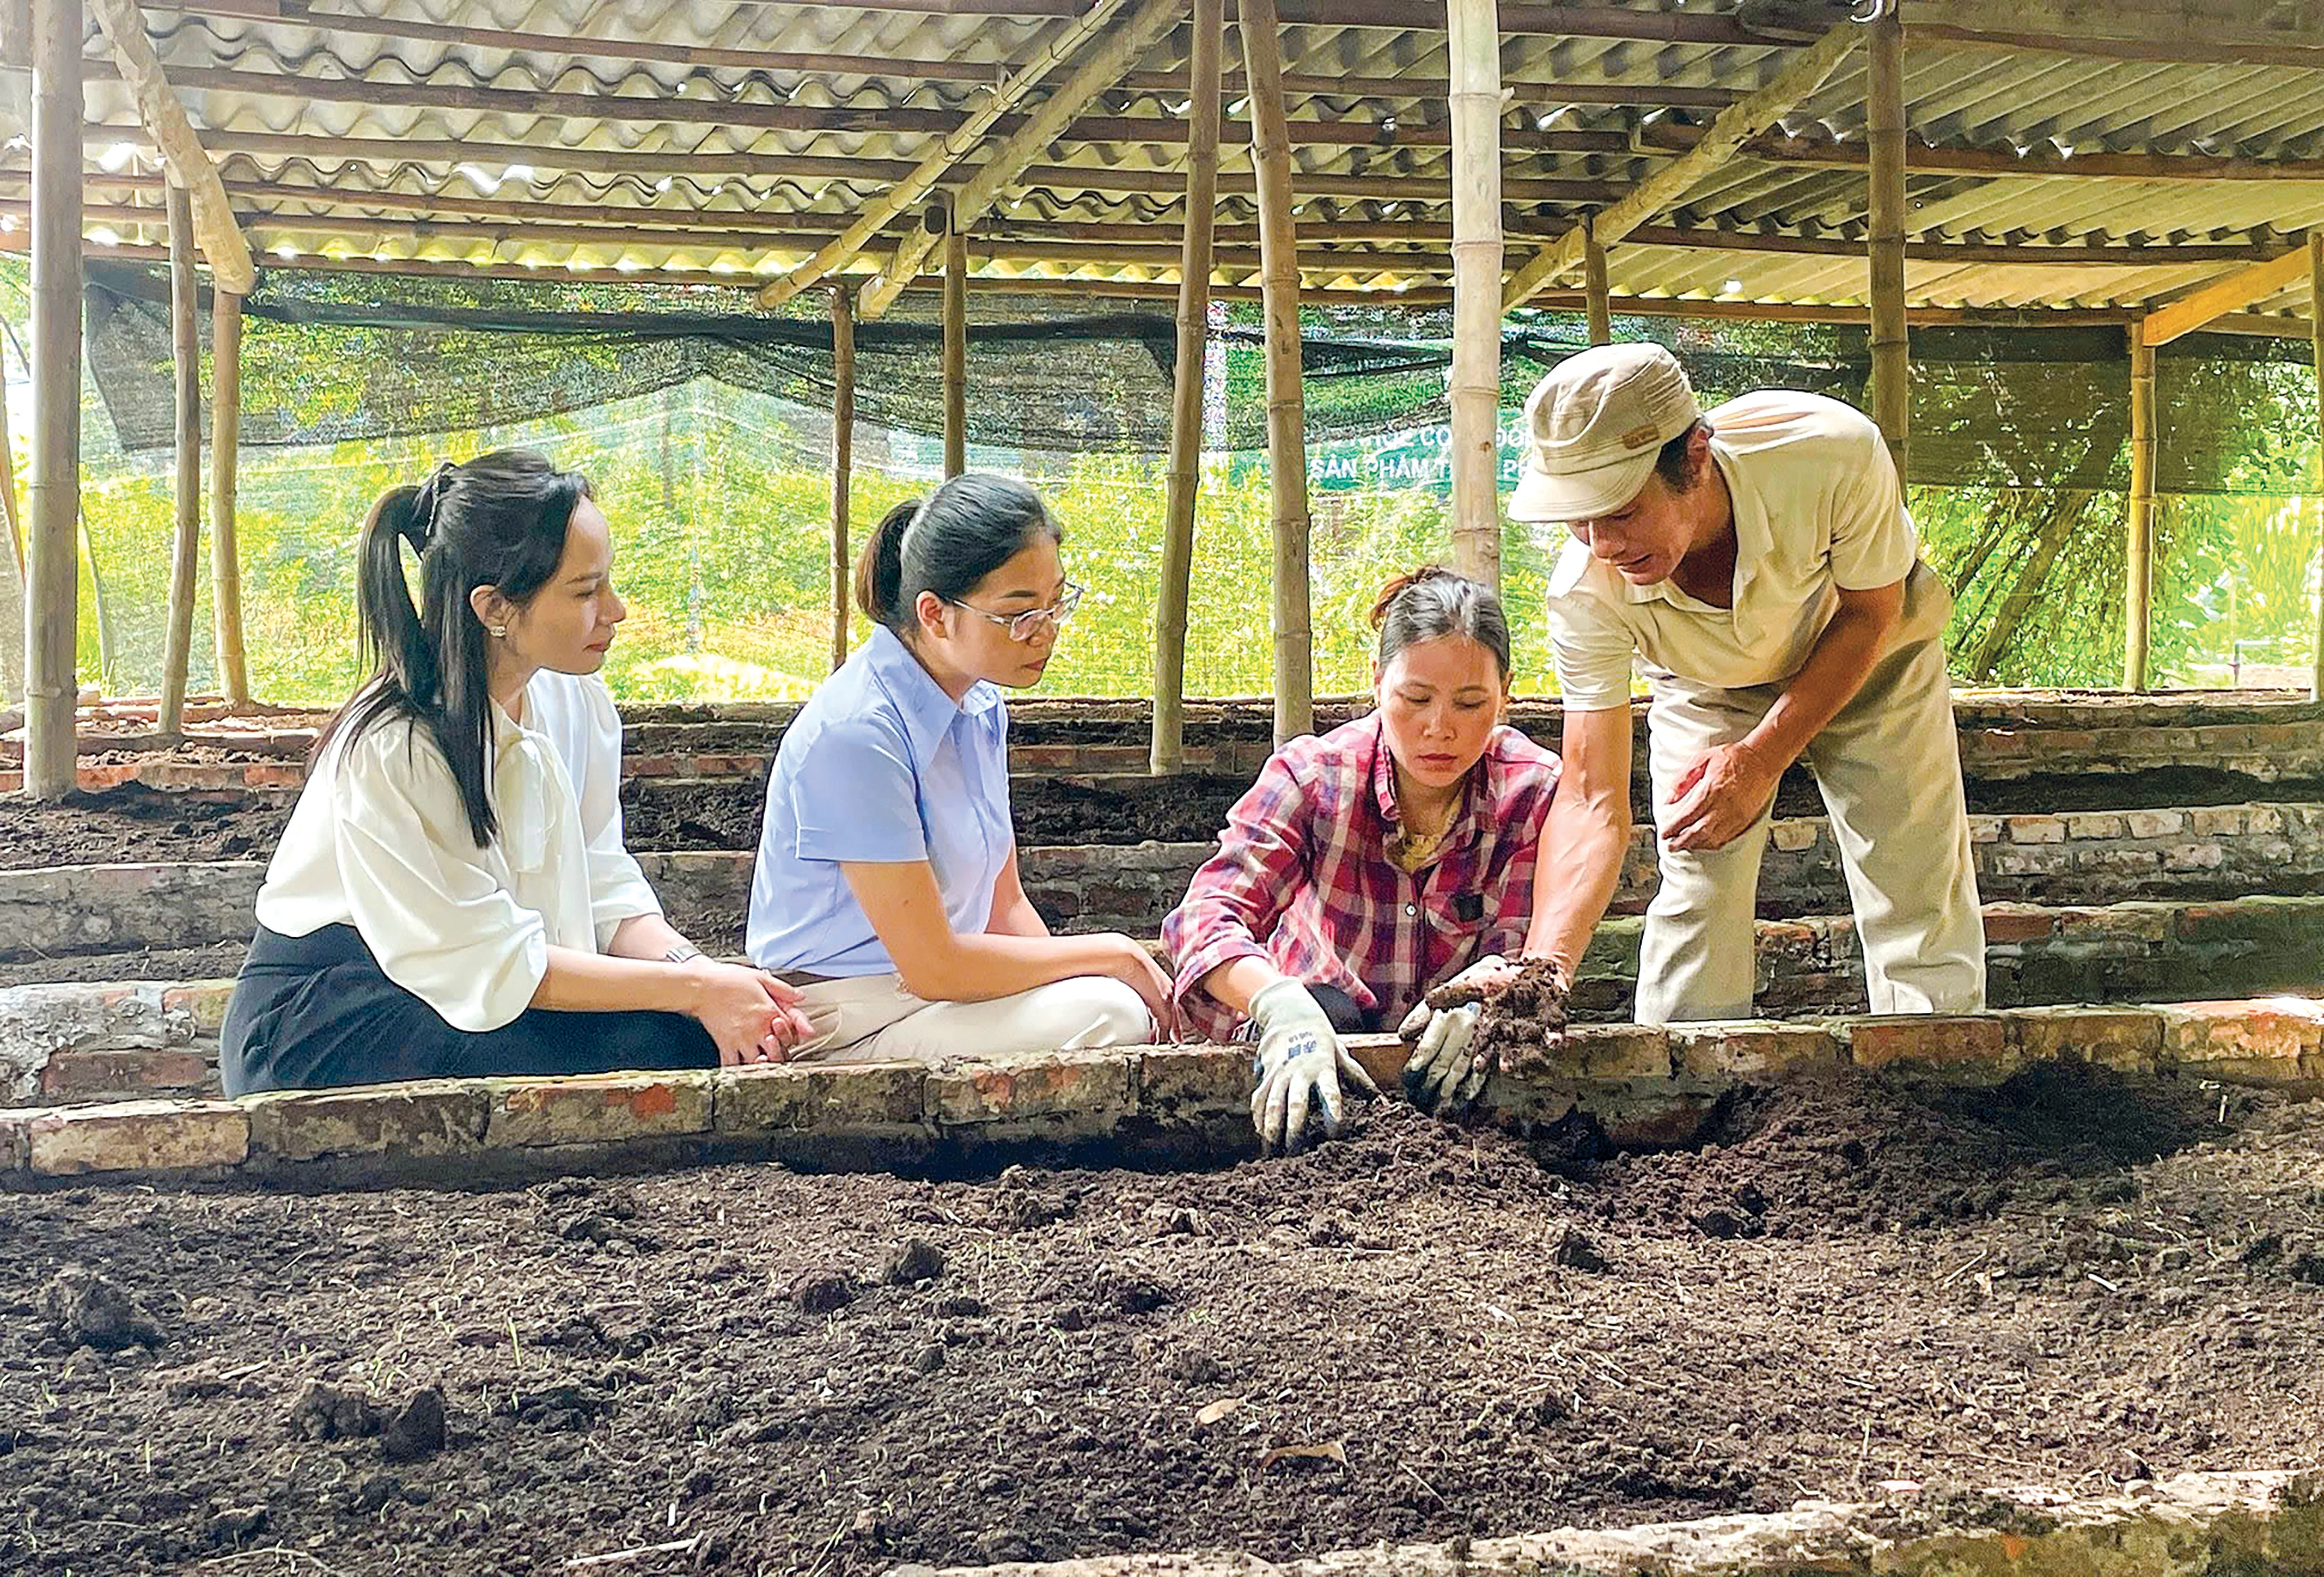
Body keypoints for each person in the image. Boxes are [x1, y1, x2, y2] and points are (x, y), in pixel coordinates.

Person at [1402, 343, 1985, 1105]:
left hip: (1868, 654)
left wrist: (1763, 758)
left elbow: (1872, 612)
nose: (1602, 544)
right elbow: (1591, 797)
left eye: (1621, 510)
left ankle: (1939, 1098)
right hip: (1707, 681)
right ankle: (1686, 1103)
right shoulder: (1585, 592)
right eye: (1579, 518)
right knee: (1698, 879)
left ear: (1696, 458)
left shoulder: (1828, 453)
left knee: (1911, 869)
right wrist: (1541, 969)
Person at [221, 450, 813, 1096]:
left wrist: (708, 977)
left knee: (683, 1034)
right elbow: (485, 960)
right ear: (495, 608)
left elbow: (603, 884)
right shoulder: (394, 747)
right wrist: (694, 990)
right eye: (585, 592)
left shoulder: (574, 700)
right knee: (660, 1043)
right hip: (329, 1017)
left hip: (471, 979)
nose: (616, 610)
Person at [746, 472, 1166, 1061]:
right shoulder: (858, 733)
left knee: (1101, 1000)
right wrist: (1112, 955)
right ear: (935, 614)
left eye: (1056, 603)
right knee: (1109, 1012)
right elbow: (934, 965)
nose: (1045, 632)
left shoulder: (980, 705)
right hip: (842, 1017)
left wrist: (1081, 974)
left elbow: (1004, 907)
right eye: (1019, 614)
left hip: (938, 997)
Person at [1162, 567, 1561, 1152]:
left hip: (1452, 1066)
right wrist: (1278, 1003)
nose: (1439, 728)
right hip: (1313, 1032)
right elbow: (1202, 919)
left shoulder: (1532, 792)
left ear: (1506, 693)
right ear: (1377, 680)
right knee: (1329, 1014)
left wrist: (1493, 991)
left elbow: (1525, 950)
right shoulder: (1313, 776)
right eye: (1415, 699)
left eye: (1470, 703)